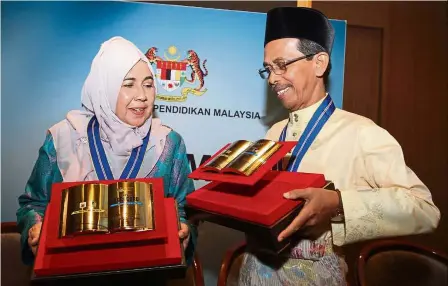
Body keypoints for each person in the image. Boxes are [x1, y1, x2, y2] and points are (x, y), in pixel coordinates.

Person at [237, 7, 441, 286]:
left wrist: (339, 204)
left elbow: (424, 209)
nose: (272, 79)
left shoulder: (361, 133)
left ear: (319, 63)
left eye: (282, 65)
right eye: (268, 69)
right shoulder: (274, 133)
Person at [16, 36, 197, 266]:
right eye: (129, 84)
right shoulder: (65, 139)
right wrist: (35, 227)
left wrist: (184, 231)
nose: (142, 95)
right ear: (105, 88)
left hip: (146, 274)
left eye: (149, 84)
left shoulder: (169, 144)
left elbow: (184, 209)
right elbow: (33, 203)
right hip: (74, 272)